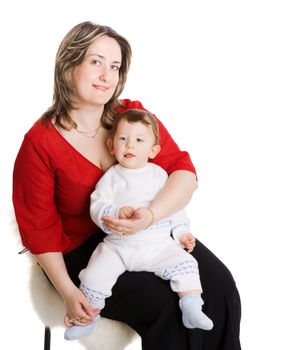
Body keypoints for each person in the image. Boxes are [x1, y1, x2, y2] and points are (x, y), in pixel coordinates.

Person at [12, 21, 241, 350]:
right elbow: (39, 229)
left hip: (149, 230)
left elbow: (183, 172)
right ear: (68, 66)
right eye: (95, 62)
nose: (107, 75)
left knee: (219, 286)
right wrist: (67, 290)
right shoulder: (40, 142)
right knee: (166, 307)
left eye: (115, 66)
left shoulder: (131, 117)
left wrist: (150, 215)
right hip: (81, 250)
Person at [64, 108, 213, 340]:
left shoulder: (159, 176)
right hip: (119, 246)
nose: (130, 145)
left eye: (139, 140)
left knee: (186, 264)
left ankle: (191, 305)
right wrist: (115, 211)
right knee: (94, 276)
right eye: (123, 139)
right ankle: (87, 317)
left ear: (153, 150)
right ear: (112, 146)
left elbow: (173, 207)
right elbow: (97, 205)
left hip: (157, 245)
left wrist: (182, 233)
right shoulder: (111, 178)